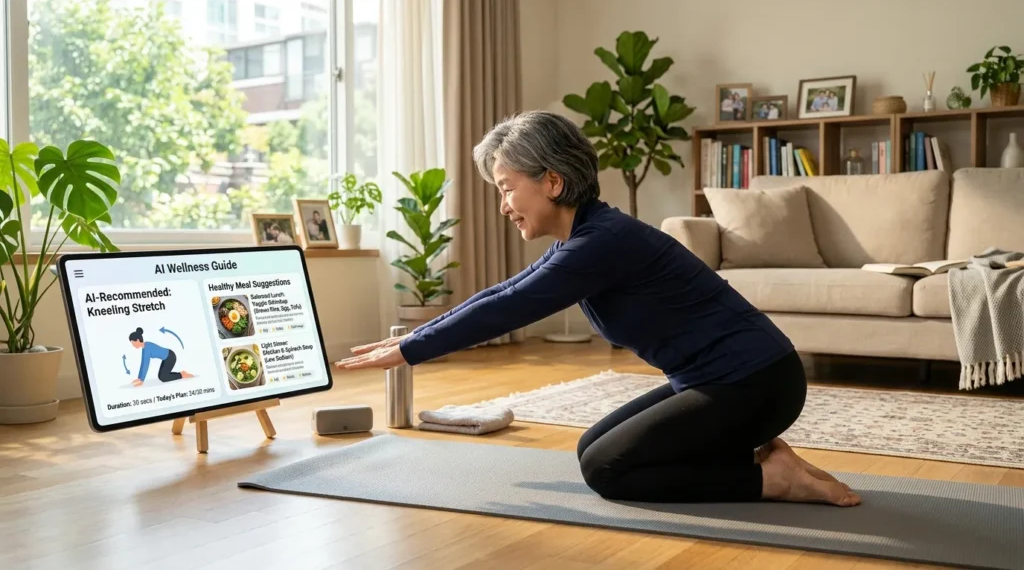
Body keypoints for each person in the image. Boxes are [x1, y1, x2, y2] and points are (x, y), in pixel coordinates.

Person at [334, 110, 861, 508]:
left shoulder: (599, 244)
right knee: (595, 447)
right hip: (726, 379)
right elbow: (499, 293)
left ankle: (771, 480)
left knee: (609, 471)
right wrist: (406, 341)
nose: (503, 206)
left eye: (507, 189)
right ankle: (760, 452)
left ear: (553, 182)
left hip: (755, 383)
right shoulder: (585, 240)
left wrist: (410, 351)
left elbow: (510, 308)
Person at [129, 328, 193, 386]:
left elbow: (145, 365)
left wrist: (142, 381)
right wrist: (139, 378)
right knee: (162, 376)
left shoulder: (147, 348)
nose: (133, 345)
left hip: (170, 357)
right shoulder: (145, 346)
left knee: (163, 378)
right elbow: (143, 363)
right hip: (167, 357)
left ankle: (182, 375)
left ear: (137, 340)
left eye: (133, 343)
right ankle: (182, 373)